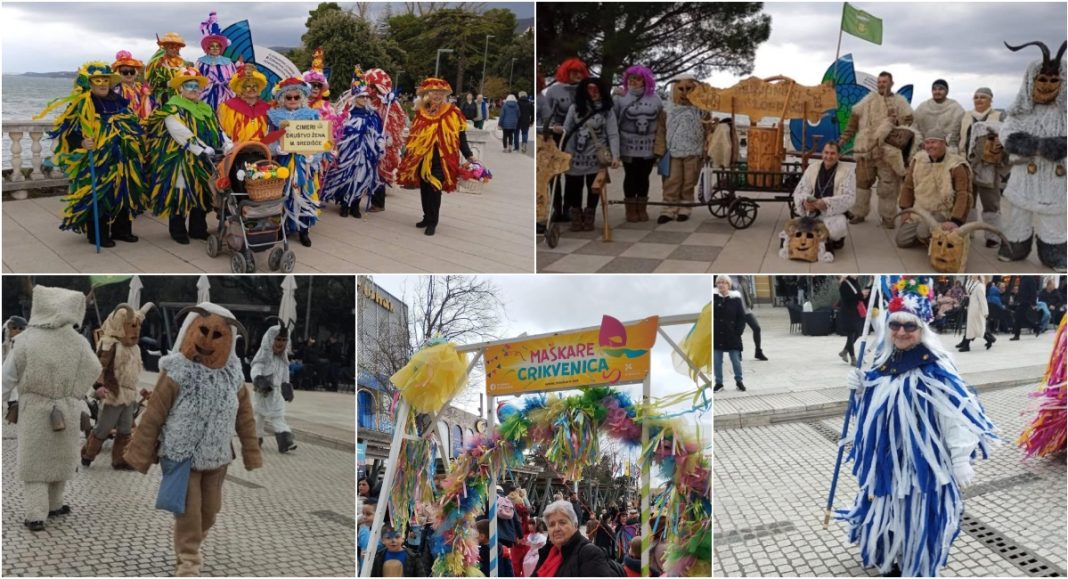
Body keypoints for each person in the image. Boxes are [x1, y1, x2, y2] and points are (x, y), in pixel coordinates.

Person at [840, 277, 996, 577]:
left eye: (909, 326)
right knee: (886, 511)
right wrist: (862, 389)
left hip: (922, 466)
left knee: (917, 516)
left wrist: (961, 457)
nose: (901, 332)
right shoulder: (882, 361)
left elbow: (956, 413)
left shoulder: (935, 367)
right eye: (895, 325)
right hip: (886, 464)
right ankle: (887, 559)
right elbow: (874, 413)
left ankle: (916, 563)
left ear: (922, 328)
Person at [126, 303, 260, 577]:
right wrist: (139, 452)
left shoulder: (233, 374)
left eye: (218, 335)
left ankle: (191, 544)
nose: (208, 341)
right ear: (190, 329)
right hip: (181, 454)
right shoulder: (177, 370)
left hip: (217, 457)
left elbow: (245, 417)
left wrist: (251, 451)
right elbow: (155, 413)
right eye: (203, 331)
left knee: (210, 512)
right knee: (189, 512)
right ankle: (188, 561)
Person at [2, 286, 101, 532]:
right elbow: (94, 368)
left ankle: (36, 514)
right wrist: (75, 392)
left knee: (35, 463)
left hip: (35, 408)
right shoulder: (77, 342)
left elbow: (7, 376)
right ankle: (55, 504)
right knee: (60, 459)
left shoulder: (25, 340)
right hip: (67, 407)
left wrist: (4, 398)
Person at [35, 62, 148, 247]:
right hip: (97, 160)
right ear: (90, 83)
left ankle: (122, 230)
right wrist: (81, 142)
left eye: (105, 80)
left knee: (123, 192)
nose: (102, 84)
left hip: (124, 158)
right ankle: (98, 235)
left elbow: (132, 124)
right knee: (100, 195)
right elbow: (68, 131)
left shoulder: (119, 101)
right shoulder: (82, 104)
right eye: (98, 80)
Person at [997, 40, 1067, 272]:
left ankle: (1054, 252)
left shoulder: (1064, 113)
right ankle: (1014, 246)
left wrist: (1057, 148)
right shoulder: (1020, 110)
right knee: (1017, 214)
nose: (1047, 85)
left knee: (1053, 218)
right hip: (1024, 176)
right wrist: (1032, 145)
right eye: (1042, 79)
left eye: (1053, 80)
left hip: (1054, 179)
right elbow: (1007, 134)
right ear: (1032, 80)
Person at [147, 66, 233, 244]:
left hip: (205, 159)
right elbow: (179, 131)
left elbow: (217, 129)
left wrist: (226, 143)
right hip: (181, 158)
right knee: (181, 192)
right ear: (180, 88)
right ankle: (177, 230)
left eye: (196, 86)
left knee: (202, 192)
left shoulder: (205, 108)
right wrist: (200, 149)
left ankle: (198, 229)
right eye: (189, 86)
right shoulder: (173, 107)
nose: (194, 90)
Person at [397, 78, 477, 237]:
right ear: (427, 94)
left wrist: (468, 155)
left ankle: (433, 222)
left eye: (441, 92)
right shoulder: (421, 113)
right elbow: (414, 136)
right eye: (434, 92)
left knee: (435, 188)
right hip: (422, 157)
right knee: (425, 189)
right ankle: (426, 217)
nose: (437, 95)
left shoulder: (453, 113)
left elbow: (461, 136)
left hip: (442, 159)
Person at [838, 71, 917, 228]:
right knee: (862, 183)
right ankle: (859, 213)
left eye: (885, 82)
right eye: (880, 82)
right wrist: (842, 141)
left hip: (888, 153)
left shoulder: (900, 102)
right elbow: (852, 123)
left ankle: (888, 216)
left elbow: (909, 122)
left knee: (888, 186)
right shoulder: (867, 101)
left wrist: (897, 121)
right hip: (865, 150)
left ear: (891, 83)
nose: (882, 84)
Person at [81, 302, 154, 469]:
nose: (136, 331)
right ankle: (87, 453)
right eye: (132, 326)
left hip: (129, 395)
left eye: (138, 326)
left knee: (125, 429)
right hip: (112, 393)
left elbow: (134, 371)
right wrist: (98, 386)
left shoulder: (135, 348)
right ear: (119, 326)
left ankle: (120, 459)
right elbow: (100, 367)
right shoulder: (110, 345)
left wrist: (140, 389)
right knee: (103, 428)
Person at [267, 77, 324, 247]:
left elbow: (319, 139)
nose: (292, 100)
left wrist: (313, 156)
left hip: (303, 163)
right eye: (288, 97)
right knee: (281, 193)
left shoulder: (312, 115)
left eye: (296, 97)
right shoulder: (275, 116)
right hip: (283, 161)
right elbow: (269, 138)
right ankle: (280, 227)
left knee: (304, 192)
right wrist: (277, 149)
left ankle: (303, 229)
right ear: (282, 99)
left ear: (302, 98)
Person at [321, 68, 384, 219]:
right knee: (346, 176)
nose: (364, 99)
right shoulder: (346, 115)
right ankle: (344, 204)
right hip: (348, 153)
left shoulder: (373, 116)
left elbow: (379, 131)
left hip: (365, 155)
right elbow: (338, 132)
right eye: (361, 97)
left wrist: (380, 143)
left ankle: (355, 205)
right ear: (354, 98)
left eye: (366, 97)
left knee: (361, 177)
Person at [562, 77, 620, 232]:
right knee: (574, 186)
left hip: (596, 155)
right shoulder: (575, 108)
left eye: (597, 89)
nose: (593, 93)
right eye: (590, 89)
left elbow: (613, 134)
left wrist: (615, 156)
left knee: (594, 187)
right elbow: (566, 129)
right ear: (584, 90)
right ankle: (576, 215)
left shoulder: (607, 111)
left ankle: (589, 216)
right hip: (574, 153)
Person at [895, 134, 972, 248]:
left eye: (934, 142)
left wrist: (955, 221)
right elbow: (908, 186)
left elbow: (963, 194)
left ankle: (936, 238)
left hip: (943, 212)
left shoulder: (956, 164)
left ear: (944, 144)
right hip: (920, 210)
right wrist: (905, 210)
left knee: (923, 232)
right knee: (901, 241)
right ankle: (929, 235)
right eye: (927, 143)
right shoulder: (918, 160)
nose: (930, 146)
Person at [654, 74, 708, 224]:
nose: (684, 93)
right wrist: (659, 150)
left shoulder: (701, 110)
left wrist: (707, 148)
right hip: (672, 152)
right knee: (672, 180)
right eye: (681, 89)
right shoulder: (667, 110)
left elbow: (708, 128)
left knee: (689, 181)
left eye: (689, 89)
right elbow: (661, 130)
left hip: (694, 151)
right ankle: (668, 209)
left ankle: (685, 207)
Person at [959, 87, 1007, 248]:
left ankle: (993, 236)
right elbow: (955, 136)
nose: (979, 100)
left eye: (983, 97)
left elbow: (1010, 135)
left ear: (990, 100)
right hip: (966, 164)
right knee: (968, 200)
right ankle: (967, 232)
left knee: (991, 202)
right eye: (976, 97)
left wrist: (1003, 142)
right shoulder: (966, 116)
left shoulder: (1000, 116)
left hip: (989, 166)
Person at [614, 65, 662, 223]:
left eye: (638, 79)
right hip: (628, 143)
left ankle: (641, 208)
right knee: (630, 175)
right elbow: (612, 120)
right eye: (631, 79)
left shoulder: (655, 98)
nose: (634, 82)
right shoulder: (620, 96)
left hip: (649, 144)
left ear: (645, 80)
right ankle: (630, 209)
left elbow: (662, 119)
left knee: (644, 176)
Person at [544, 58, 590, 223]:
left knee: (574, 174)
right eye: (573, 72)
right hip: (557, 135)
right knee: (555, 173)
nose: (577, 75)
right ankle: (557, 208)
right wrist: (553, 126)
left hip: (578, 136)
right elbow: (546, 114)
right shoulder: (553, 91)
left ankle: (570, 208)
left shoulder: (586, 90)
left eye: (580, 72)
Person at [791, 141, 856, 252]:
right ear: (822, 153)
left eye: (832, 153)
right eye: (826, 152)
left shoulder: (846, 172)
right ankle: (821, 239)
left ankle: (835, 239)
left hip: (833, 214)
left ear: (838, 155)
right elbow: (800, 190)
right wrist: (805, 203)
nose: (828, 156)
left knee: (836, 229)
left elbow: (849, 198)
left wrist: (826, 203)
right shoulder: (812, 168)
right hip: (812, 212)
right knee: (793, 230)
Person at [362, 68, 409, 213]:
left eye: (374, 87)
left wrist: (388, 138)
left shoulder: (390, 103)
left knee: (379, 172)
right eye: (370, 86)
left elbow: (397, 122)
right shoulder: (367, 100)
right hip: (366, 141)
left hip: (382, 144)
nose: (371, 90)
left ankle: (378, 202)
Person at [533, 500, 616, 576]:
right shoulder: (548, 551)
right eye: (552, 524)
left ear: (575, 525)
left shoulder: (589, 554)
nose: (556, 528)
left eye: (562, 522)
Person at [250, 322, 298, 453]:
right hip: (263, 393)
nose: (280, 343)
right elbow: (255, 369)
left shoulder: (283, 361)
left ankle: (285, 441)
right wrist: (259, 380)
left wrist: (286, 387)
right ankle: (255, 438)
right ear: (270, 339)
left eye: (283, 340)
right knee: (258, 417)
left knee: (278, 416)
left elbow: (285, 376)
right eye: (277, 339)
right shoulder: (263, 357)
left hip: (277, 395)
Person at [217, 63, 271, 143]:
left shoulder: (267, 108)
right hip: (236, 151)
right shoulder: (228, 107)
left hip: (263, 151)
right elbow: (222, 132)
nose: (252, 89)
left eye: (255, 85)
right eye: (247, 86)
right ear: (240, 88)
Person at [195, 11, 236, 112]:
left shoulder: (228, 62)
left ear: (221, 48)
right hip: (204, 95)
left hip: (224, 95)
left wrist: (227, 82)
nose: (215, 48)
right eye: (212, 46)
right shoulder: (200, 62)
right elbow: (196, 78)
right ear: (208, 48)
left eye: (217, 46)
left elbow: (234, 79)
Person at [913, 79, 965, 152]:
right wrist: (921, 143)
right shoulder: (923, 107)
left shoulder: (955, 108)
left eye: (941, 89)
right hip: (924, 147)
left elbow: (959, 130)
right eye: (934, 89)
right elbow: (915, 127)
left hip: (948, 148)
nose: (937, 92)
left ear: (946, 91)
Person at [713, 275, 745, 392]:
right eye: (719, 283)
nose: (721, 284)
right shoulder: (714, 299)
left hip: (732, 335)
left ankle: (739, 381)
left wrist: (738, 332)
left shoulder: (736, 300)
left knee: (735, 360)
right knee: (717, 361)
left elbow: (741, 318)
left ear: (728, 285)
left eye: (724, 282)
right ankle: (719, 383)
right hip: (717, 335)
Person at [145, 32, 192, 107]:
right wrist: (167, 83)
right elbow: (152, 82)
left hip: (180, 96)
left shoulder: (182, 63)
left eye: (176, 48)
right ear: (166, 48)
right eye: (171, 48)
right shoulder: (159, 63)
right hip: (164, 97)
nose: (174, 50)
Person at [112, 50, 153, 121]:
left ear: (135, 73)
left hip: (145, 124)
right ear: (119, 73)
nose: (129, 74)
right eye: (125, 72)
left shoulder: (142, 87)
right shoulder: (117, 91)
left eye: (132, 71)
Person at [734, 281, 768, 361]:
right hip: (736, 312)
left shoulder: (742, 278)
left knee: (757, 328)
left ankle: (758, 351)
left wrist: (750, 302)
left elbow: (747, 293)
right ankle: (738, 352)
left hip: (747, 310)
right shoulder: (726, 279)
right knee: (738, 332)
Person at [960, 275, 995, 351]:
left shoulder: (979, 286)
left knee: (975, 328)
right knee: (974, 328)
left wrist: (985, 312)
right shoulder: (970, 283)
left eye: (974, 274)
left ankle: (967, 345)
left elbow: (983, 300)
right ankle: (989, 339)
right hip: (970, 308)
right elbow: (970, 294)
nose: (971, 275)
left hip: (976, 310)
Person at [838, 276, 864, 365]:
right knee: (851, 334)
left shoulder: (856, 282)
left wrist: (861, 295)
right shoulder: (845, 284)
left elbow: (859, 297)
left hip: (855, 312)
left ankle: (845, 351)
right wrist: (860, 295)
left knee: (857, 333)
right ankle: (853, 358)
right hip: (847, 312)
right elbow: (847, 299)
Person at [1011, 275, 1042, 340]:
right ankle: (1036, 328)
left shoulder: (1030, 278)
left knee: (1018, 317)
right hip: (1022, 301)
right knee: (1021, 318)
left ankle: (1017, 335)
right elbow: (1021, 291)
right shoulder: (1023, 278)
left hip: (1026, 301)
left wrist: (1033, 303)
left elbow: (1033, 291)